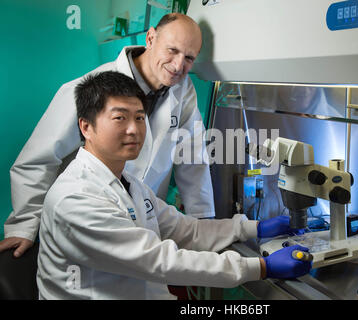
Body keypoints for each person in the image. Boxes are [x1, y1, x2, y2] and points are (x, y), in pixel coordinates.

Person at [36, 71, 311, 299]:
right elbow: (159, 260)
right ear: (86, 127)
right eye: (119, 118)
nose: (134, 129)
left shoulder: (128, 183)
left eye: (140, 118)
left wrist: (252, 228)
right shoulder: (76, 197)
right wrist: (261, 267)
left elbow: (184, 229)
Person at [1, 13, 215, 258]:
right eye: (172, 50)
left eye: (189, 58)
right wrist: (24, 226)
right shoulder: (91, 88)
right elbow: (39, 157)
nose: (178, 66)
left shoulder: (182, 91)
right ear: (150, 37)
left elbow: (192, 157)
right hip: (88, 218)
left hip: (141, 223)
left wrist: (203, 222)